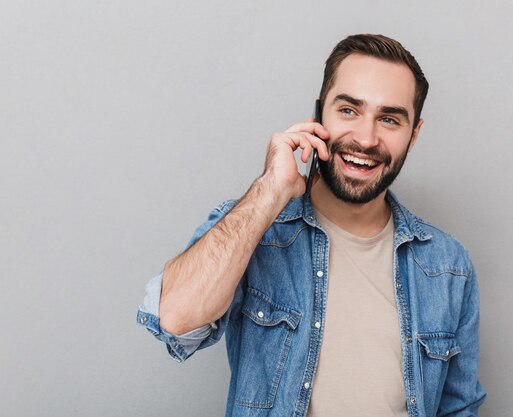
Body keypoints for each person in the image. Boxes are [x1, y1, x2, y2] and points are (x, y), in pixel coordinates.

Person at [137, 33, 486, 417]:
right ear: (319, 115)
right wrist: (270, 190)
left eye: (389, 119)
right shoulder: (256, 229)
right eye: (349, 110)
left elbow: (459, 408)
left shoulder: (449, 265)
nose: (366, 138)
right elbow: (175, 320)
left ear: (413, 135)